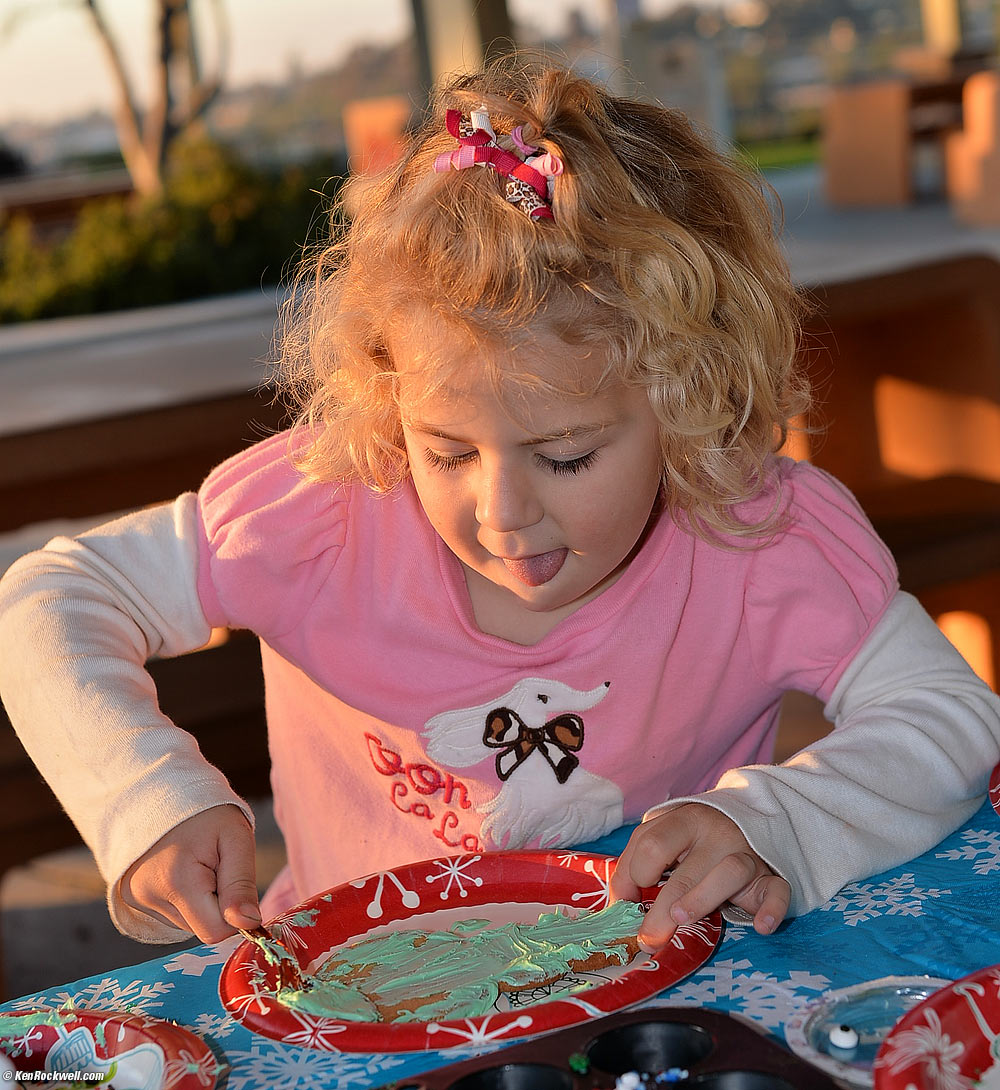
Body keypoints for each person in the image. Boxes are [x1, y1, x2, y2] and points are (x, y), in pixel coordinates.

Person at [1, 59, 998, 958]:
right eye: (445, 451)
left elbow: (948, 718)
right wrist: (145, 797)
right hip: (357, 1005)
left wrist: (775, 823)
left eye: (564, 456)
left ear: (689, 399)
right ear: (392, 399)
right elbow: (49, 598)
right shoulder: (328, 507)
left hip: (658, 1007)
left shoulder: (753, 535)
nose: (501, 511)